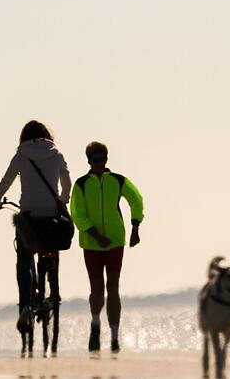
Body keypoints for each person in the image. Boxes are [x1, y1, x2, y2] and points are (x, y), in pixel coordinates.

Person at [0, 121, 72, 321]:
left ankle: (26, 304)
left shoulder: (20, 156)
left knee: (24, 261)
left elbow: (6, 181)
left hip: (28, 218)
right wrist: (63, 199)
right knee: (51, 251)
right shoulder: (56, 154)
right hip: (51, 216)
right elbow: (67, 181)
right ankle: (52, 295)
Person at [70, 141, 144, 353]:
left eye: (103, 159)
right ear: (89, 161)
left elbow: (136, 200)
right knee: (96, 289)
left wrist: (135, 226)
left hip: (114, 241)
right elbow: (77, 213)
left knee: (113, 287)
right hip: (92, 243)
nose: (100, 163)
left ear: (107, 159)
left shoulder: (118, 180)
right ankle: (95, 323)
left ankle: (113, 336)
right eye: (96, 159)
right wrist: (94, 233)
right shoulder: (81, 184)